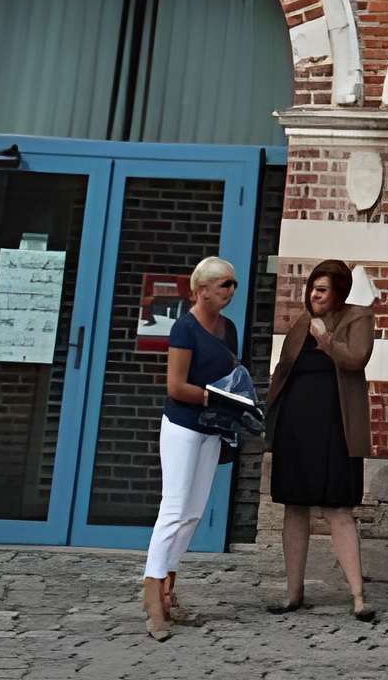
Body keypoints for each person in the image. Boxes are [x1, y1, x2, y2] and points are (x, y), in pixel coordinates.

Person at [264, 259, 377, 621]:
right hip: (296, 428)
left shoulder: (357, 318)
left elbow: (356, 358)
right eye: (312, 287)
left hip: (335, 428)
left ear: (340, 292)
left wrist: (326, 340)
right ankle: (292, 594)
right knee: (294, 507)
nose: (314, 294)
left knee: (338, 509)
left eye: (322, 289)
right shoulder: (301, 322)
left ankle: (358, 597)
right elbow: (284, 370)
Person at [142, 255, 240, 641]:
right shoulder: (185, 328)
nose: (231, 291)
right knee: (174, 507)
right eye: (224, 285)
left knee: (194, 513)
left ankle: (169, 590)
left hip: (211, 428)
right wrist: (215, 399)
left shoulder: (228, 329)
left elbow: (230, 375)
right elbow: (175, 387)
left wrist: (233, 400)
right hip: (183, 426)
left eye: (233, 284)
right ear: (202, 290)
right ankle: (152, 599)